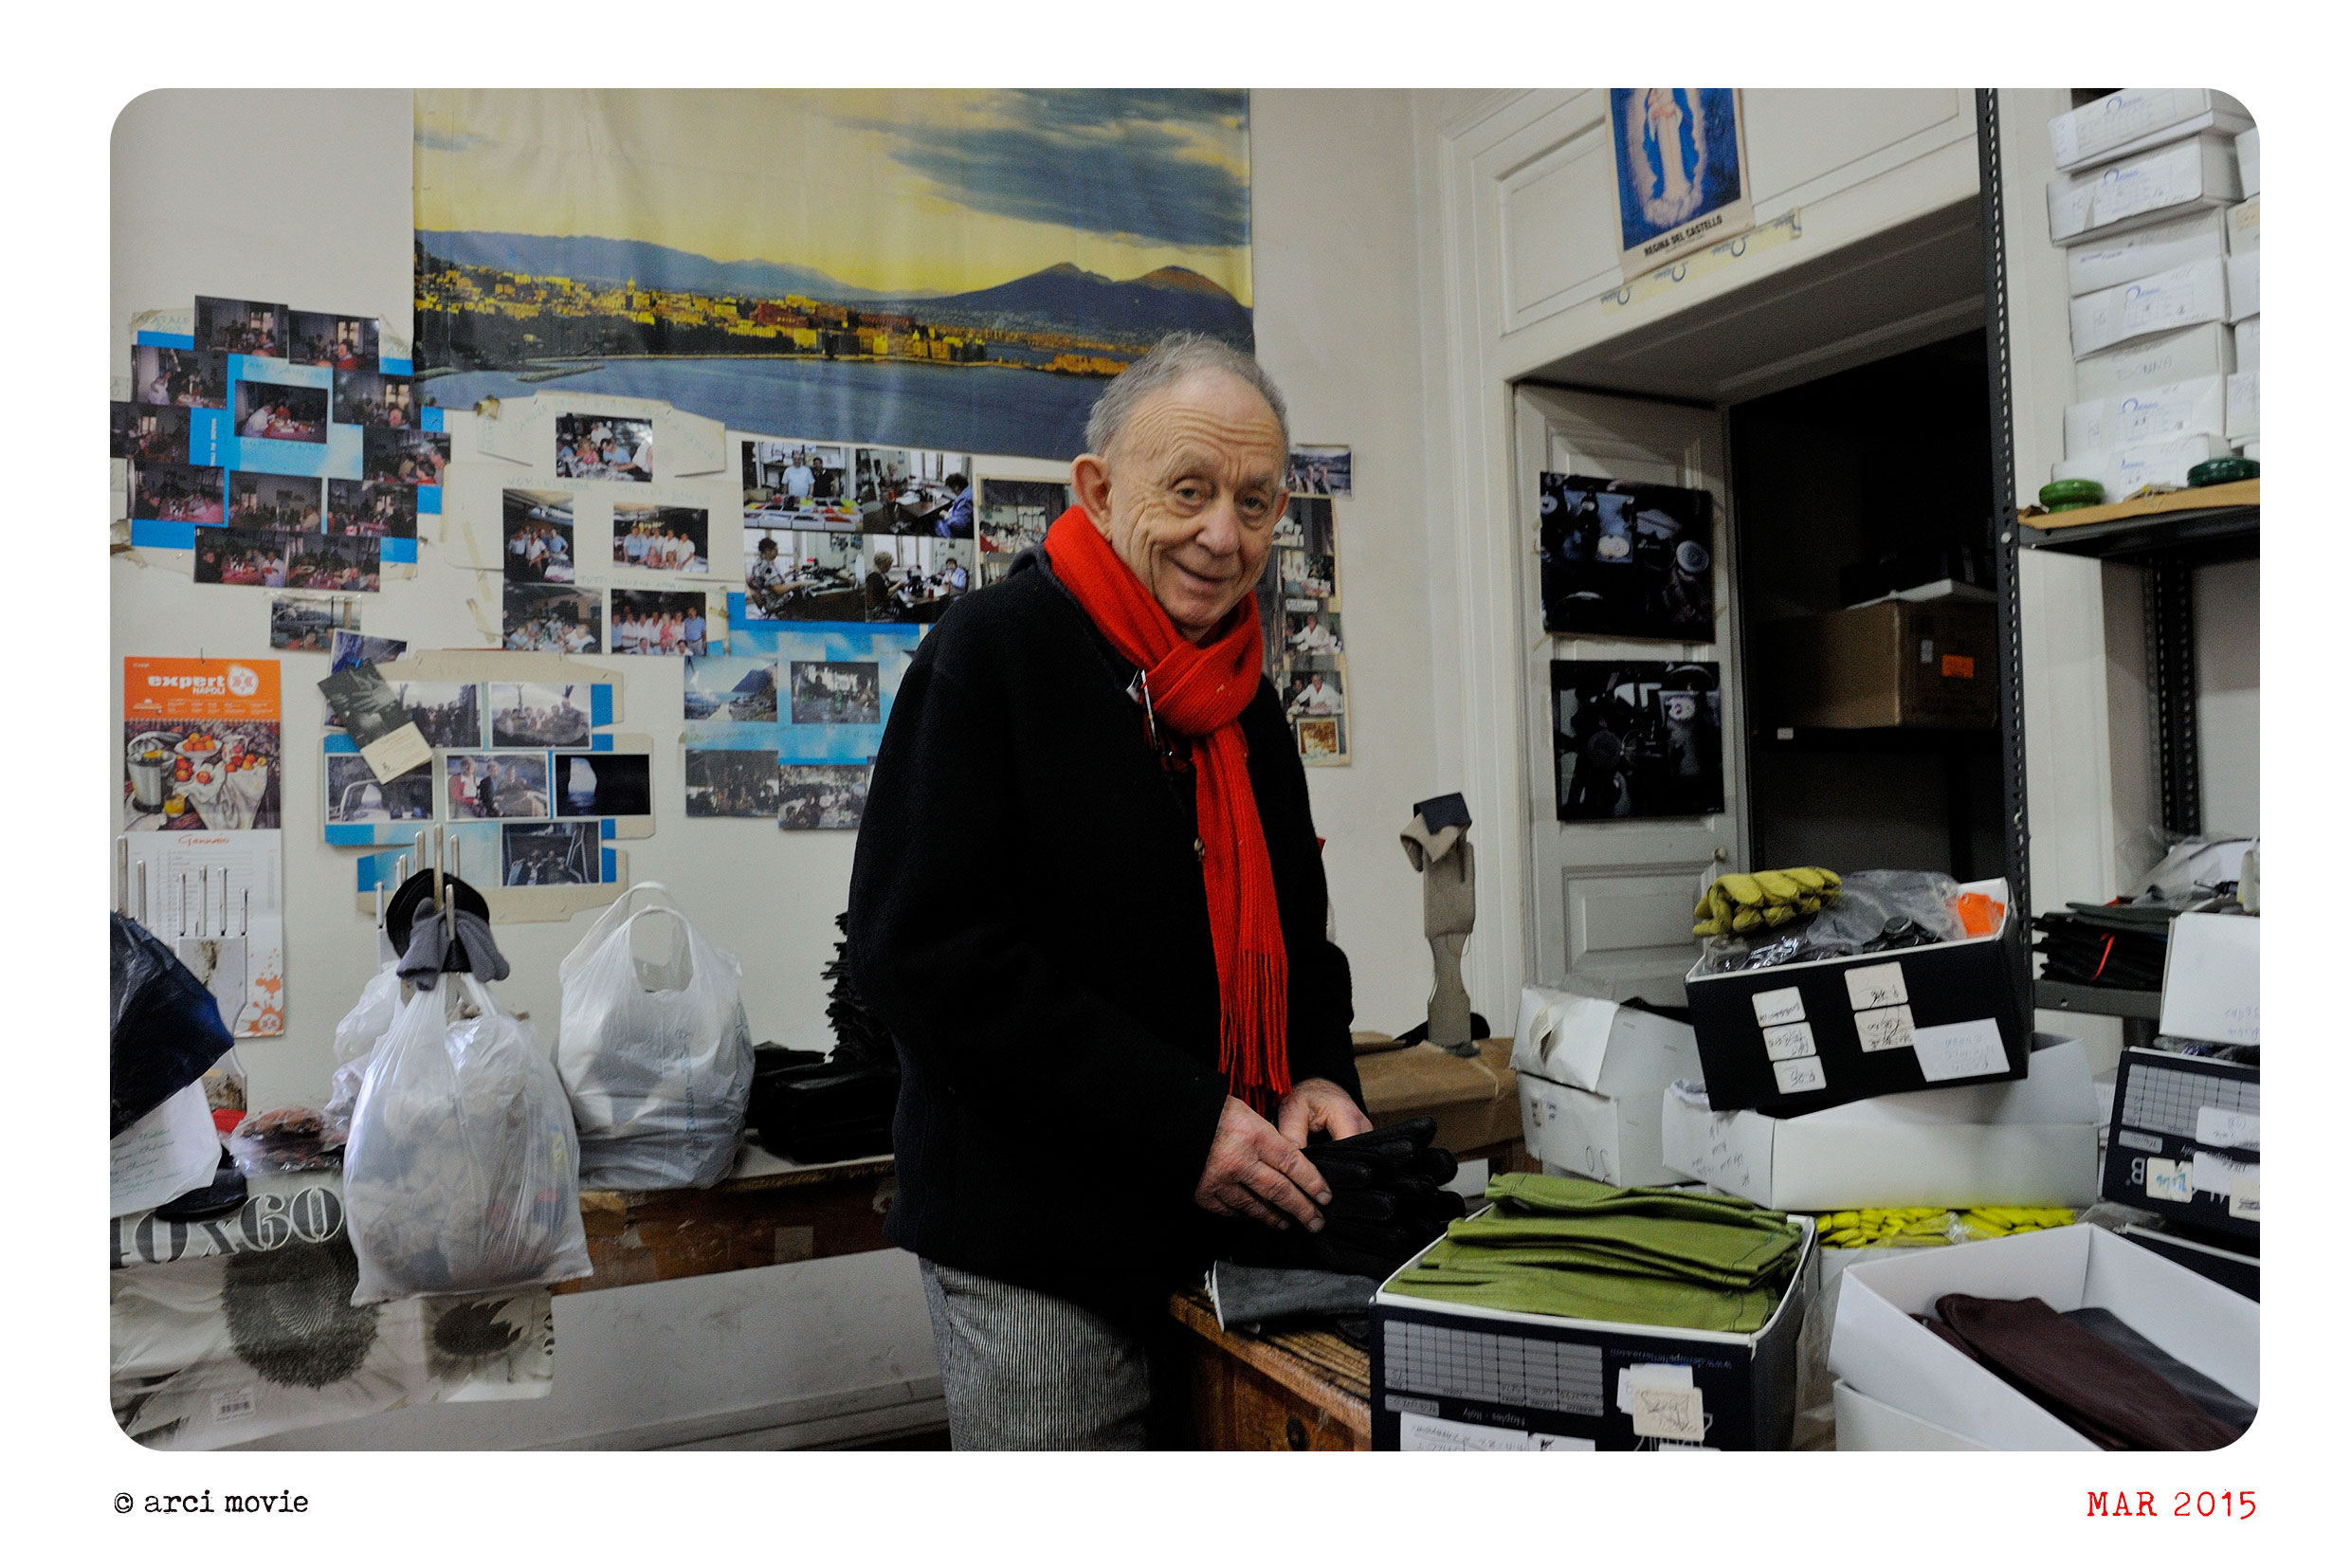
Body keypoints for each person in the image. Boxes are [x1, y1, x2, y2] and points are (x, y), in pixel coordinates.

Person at [847, 333, 1366, 1450]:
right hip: (1035, 1242)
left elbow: (1296, 933)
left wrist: (1318, 1066)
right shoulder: (991, 650)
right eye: (1187, 490)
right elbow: (922, 957)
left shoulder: (1244, 696)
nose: (1221, 535)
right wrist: (1181, 1123)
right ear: (1095, 489)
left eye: (1253, 502)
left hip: (1221, 1218)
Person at [936, 472, 973, 537]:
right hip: (966, 528)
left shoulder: (965, 500)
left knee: (937, 523)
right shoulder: (969, 491)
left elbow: (958, 524)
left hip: (958, 532)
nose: (952, 491)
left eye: (951, 488)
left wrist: (946, 515)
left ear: (956, 487)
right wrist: (953, 509)